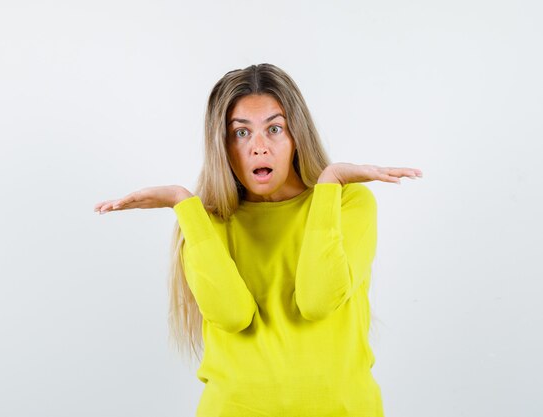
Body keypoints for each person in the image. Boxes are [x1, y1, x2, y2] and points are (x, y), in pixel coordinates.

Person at [94, 63, 423, 416]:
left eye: (275, 129)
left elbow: (318, 301)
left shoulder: (348, 203)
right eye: (241, 133)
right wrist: (183, 204)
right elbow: (231, 315)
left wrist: (329, 185)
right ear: (221, 144)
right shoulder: (207, 221)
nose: (259, 148)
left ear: (298, 136)